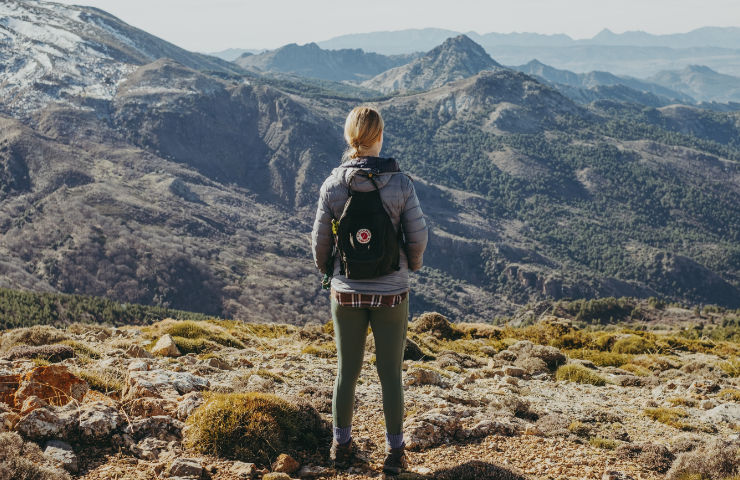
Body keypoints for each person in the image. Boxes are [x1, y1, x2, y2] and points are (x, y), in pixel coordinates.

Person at [311, 106, 428, 475]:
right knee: (390, 373)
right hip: (392, 292)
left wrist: (330, 273)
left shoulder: (333, 185)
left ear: (350, 138)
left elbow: (319, 243)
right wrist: (411, 265)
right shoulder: (400, 183)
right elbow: (418, 236)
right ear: (379, 137)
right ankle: (395, 455)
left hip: (346, 292)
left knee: (347, 371)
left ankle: (340, 447)